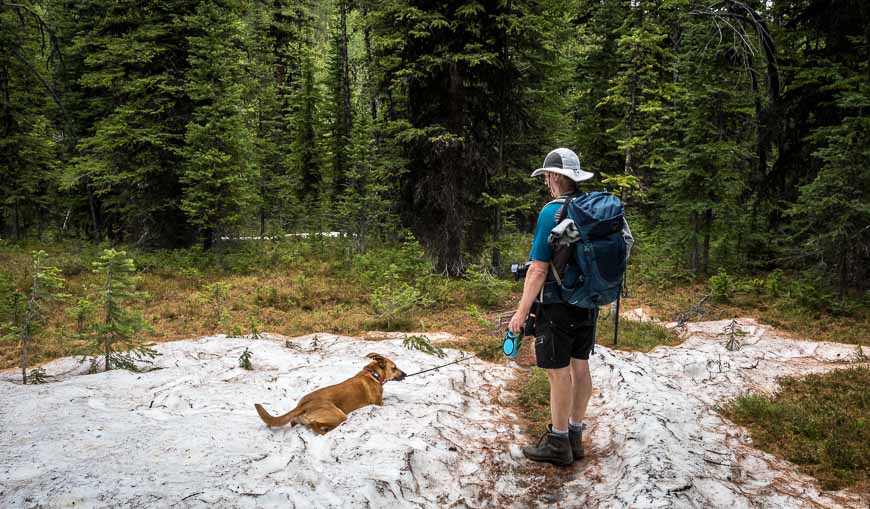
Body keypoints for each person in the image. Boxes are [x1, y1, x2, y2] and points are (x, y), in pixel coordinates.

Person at [508, 147, 633, 466]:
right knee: (580, 366)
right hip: (588, 301)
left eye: (548, 176)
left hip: (558, 304)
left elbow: (538, 269)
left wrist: (521, 312)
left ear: (554, 177)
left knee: (557, 373)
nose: (547, 182)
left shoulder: (553, 212)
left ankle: (558, 442)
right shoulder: (591, 209)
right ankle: (575, 436)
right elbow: (621, 245)